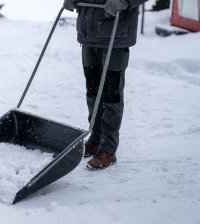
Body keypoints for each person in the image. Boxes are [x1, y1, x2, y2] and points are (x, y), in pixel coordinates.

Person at [63, 0, 148, 169]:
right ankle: (95, 140)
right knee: (93, 92)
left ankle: (108, 149)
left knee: (111, 95)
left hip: (115, 35)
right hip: (89, 35)